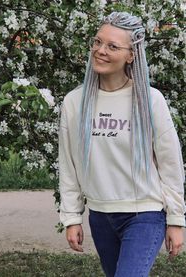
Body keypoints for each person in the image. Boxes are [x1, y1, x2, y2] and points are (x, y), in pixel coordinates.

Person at [59, 11, 185, 277]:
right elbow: (68, 165)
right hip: (100, 216)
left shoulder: (150, 101)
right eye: (97, 42)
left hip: (144, 215)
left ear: (131, 55)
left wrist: (176, 219)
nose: (100, 51)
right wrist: (71, 217)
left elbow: (170, 163)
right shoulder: (74, 102)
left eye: (112, 46)